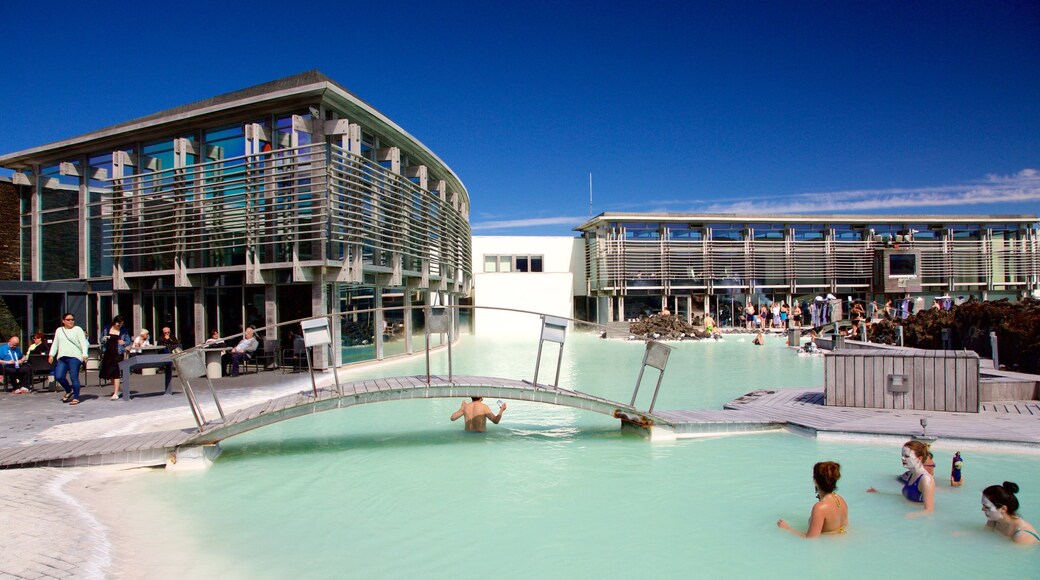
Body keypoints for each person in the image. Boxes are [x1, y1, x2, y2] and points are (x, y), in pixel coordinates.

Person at [777, 461, 849, 537]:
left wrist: (787, 529)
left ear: (815, 481)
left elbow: (810, 539)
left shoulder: (820, 508)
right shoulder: (841, 500)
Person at [867, 440, 935, 517]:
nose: (902, 458)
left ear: (919, 458)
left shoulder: (925, 480)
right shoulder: (911, 475)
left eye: (907, 456)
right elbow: (906, 496)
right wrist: (880, 493)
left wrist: (911, 515)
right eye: (902, 455)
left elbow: (929, 511)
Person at [48, 313, 89, 405]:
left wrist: (85, 354)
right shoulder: (59, 330)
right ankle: (68, 390)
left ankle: (76, 397)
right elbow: (55, 343)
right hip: (62, 357)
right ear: (63, 321)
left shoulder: (78, 330)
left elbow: (83, 342)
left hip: (75, 357)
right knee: (59, 376)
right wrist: (51, 355)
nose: (71, 321)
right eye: (68, 320)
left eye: (72, 319)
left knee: (73, 376)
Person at [99, 315, 131, 400]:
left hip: (118, 353)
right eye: (118, 324)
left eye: (121, 325)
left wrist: (123, 342)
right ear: (114, 322)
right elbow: (101, 339)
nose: (119, 326)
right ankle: (118, 389)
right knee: (108, 373)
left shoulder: (124, 331)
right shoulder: (107, 328)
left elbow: (128, 341)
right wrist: (104, 339)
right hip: (108, 352)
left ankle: (116, 393)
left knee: (115, 372)